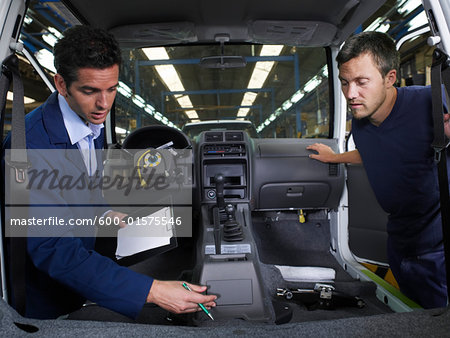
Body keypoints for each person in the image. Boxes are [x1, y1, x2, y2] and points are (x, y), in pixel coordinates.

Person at [4, 25, 216, 319]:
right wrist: (153, 290)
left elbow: (84, 183)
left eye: (112, 89)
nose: (104, 104)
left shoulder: (88, 122)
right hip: (48, 302)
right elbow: (53, 249)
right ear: (62, 84)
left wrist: (104, 214)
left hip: (84, 275)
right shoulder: (29, 150)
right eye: (90, 91)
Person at [307, 31, 449, 309]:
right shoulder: (362, 118)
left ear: (390, 78)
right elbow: (374, 152)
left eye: (361, 82)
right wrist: (334, 158)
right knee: (409, 314)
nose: (351, 94)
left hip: (436, 243)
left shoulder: (430, 103)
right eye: (344, 82)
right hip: (400, 238)